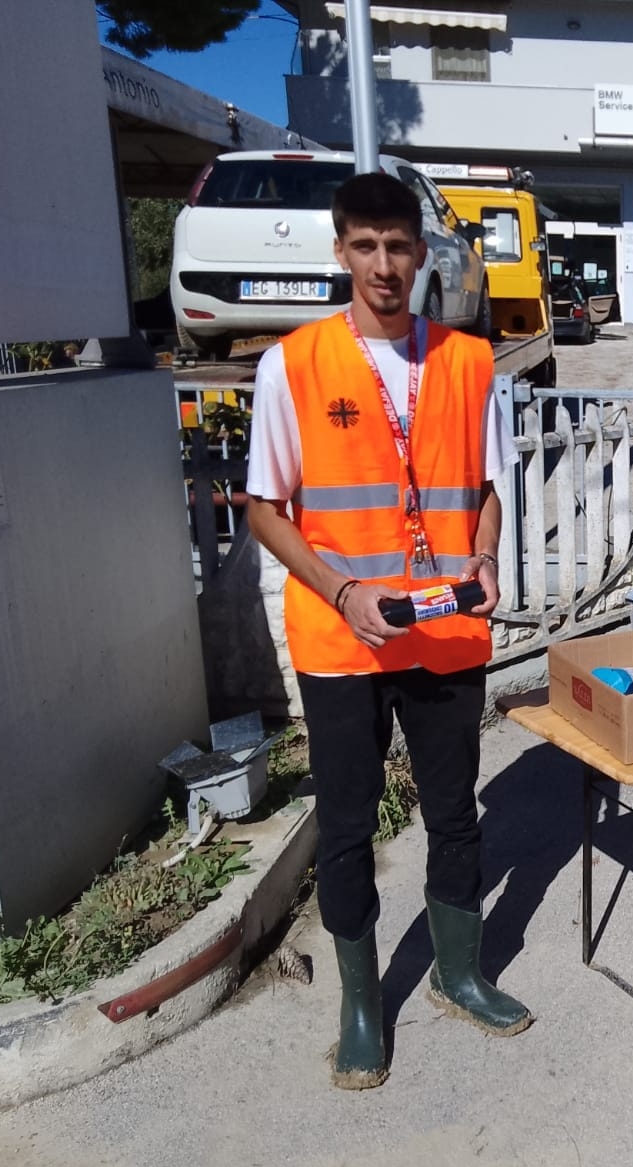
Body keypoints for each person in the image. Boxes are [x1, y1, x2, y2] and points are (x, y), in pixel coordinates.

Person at [245, 172, 530, 1091]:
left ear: (422, 252)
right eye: (363, 246)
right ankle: (361, 1005)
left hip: (446, 634)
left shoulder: (470, 360)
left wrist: (484, 561)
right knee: (346, 822)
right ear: (340, 253)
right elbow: (262, 507)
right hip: (344, 639)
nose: (381, 265)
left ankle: (457, 972)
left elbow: (483, 493)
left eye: (397, 246)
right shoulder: (290, 365)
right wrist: (341, 590)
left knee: (454, 812)